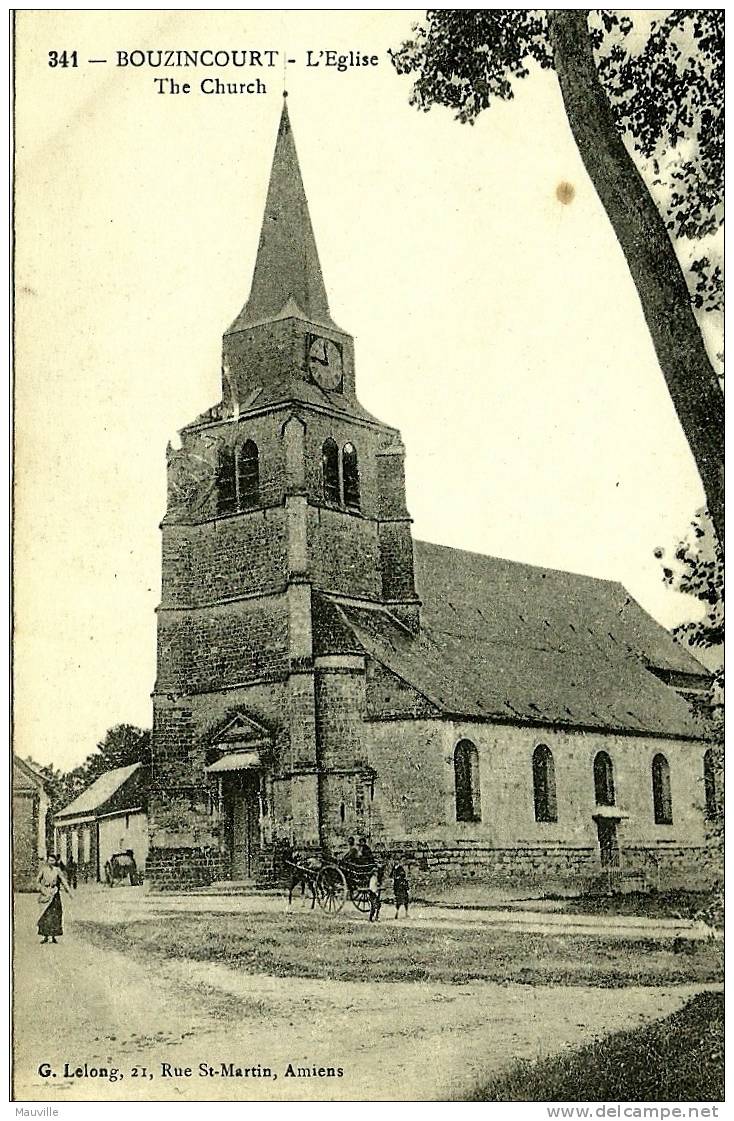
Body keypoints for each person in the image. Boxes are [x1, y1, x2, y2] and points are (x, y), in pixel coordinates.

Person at [36, 854, 71, 945]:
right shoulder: (43, 870)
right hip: (46, 892)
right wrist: (41, 889)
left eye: (53, 860)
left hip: (55, 893)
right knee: (45, 914)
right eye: (50, 860)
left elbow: (63, 881)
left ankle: (54, 935)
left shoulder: (57, 870)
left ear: (55, 861)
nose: (51, 862)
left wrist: (69, 892)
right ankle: (45, 936)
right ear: (47, 861)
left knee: (56, 914)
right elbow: (37, 881)